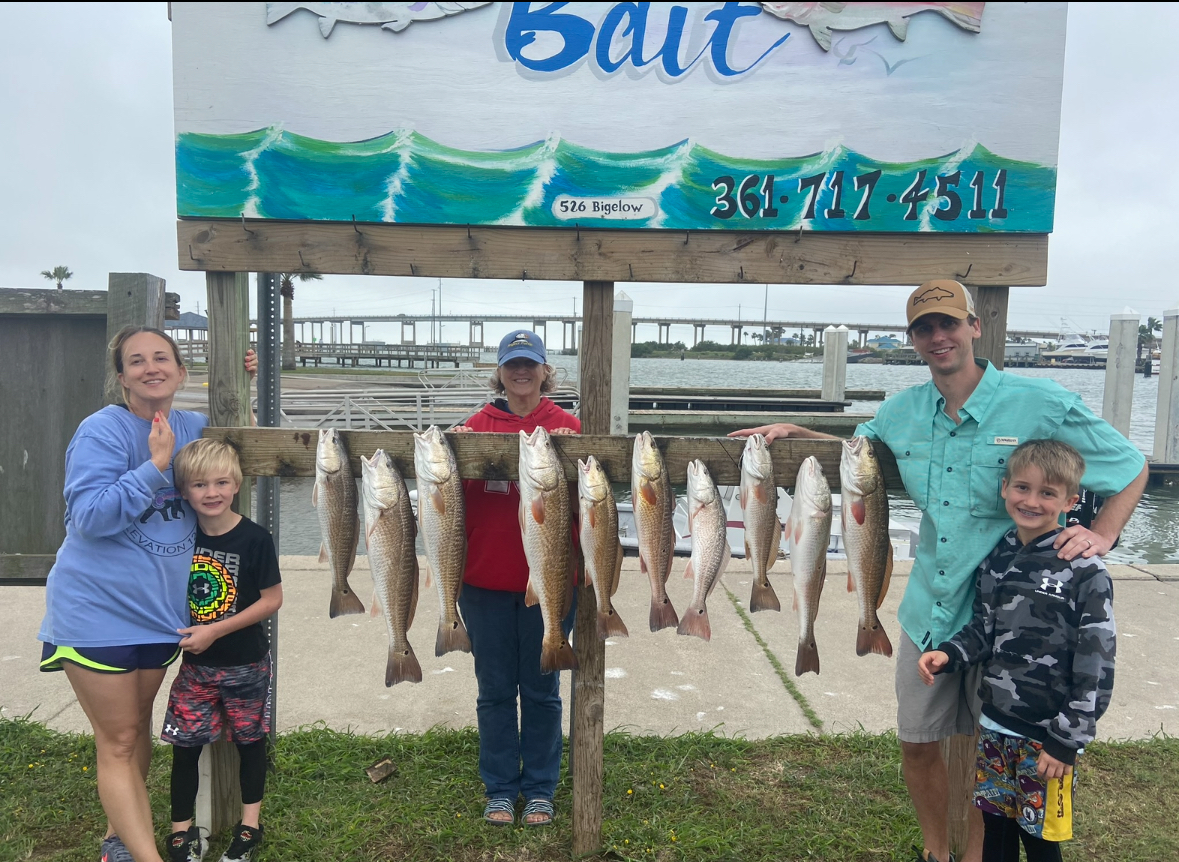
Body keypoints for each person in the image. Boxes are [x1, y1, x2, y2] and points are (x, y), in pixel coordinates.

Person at [731, 280, 1146, 862]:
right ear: (914, 341)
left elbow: (1129, 466)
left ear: (974, 327)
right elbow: (859, 462)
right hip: (928, 610)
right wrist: (799, 435)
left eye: (949, 323)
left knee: (989, 747)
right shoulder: (899, 411)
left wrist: (1102, 534)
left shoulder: (1042, 401)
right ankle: (936, 853)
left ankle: (976, 855)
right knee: (919, 742)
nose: (938, 336)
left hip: (1006, 625)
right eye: (924, 328)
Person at [38, 326, 255, 862]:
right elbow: (88, 519)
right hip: (97, 611)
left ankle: (117, 842)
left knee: (133, 737)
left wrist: (245, 389)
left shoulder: (193, 426)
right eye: (137, 361)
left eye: (162, 358)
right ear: (122, 378)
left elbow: (237, 458)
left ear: (182, 371)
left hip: (158, 617)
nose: (151, 367)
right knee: (117, 741)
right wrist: (155, 466)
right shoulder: (102, 431)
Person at [917, 440, 1114, 862]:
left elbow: (1095, 662)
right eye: (1022, 488)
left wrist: (1068, 739)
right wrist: (949, 654)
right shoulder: (998, 556)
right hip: (995, 726)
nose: (1031, 501)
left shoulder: (1085, 569)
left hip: (1048, 738)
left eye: (1047, 493)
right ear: (1004, 487)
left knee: (1042, 841)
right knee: (994, 830)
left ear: (1070, 501)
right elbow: (982, 629)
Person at [451, 330, 579, 827]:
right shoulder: (476, 425)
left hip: (550, 582)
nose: (521, 372)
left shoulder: (568, 426)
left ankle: (541, 787)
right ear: (500, 371)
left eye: (530, 363)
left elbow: (599, 499)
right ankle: (501, 788)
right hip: (484, 583)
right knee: (496, 690)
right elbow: (446, 504)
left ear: (546, 370)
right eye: (512, 364)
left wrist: (577, 454)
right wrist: (456, 453)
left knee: (543, 691)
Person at [162, 438, 283, 862]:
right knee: (185, 747)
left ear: (237, 485)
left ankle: (250, 826)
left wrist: (215, 630)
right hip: (195, 668)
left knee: (250, 743)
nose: (211, 492)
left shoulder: (255, 539)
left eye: (221, 482)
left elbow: (271, 600)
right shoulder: (177, 538)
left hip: (246, 664)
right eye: (199, 485)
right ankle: (181, 832)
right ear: (183, 490)